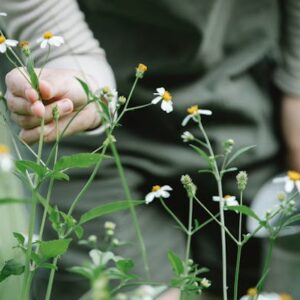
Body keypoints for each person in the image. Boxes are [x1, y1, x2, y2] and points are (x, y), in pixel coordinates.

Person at [1, 0, 300, 299]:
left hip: (247, 98)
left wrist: (296, 90)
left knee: (247, 279)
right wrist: (72, 60)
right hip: (81, 121)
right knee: (122, 286)